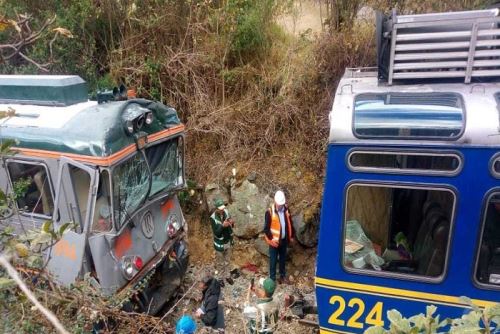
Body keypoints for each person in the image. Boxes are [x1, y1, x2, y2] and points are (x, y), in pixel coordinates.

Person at [264, 190, 295, 284]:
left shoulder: (286, 210)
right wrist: (271, 238)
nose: (280, 206)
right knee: (273, 261)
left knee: (282, 259)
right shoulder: (269, 212)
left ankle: (282, 276)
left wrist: (292, 235)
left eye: (281, 204)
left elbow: (289, 223)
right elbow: (266, 229)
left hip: (284, 240)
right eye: (279, 204)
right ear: (275, 201)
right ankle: (272, 279)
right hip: (274, 242)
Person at [210, 198, 234, 282]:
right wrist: (222, 226)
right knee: (220, 262)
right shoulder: (213, 218)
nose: (222, 210)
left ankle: (227, 276)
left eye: (223, 208)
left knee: (227, 260)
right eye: (220, 209)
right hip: (219, 243)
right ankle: (220, 278)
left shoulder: (226, 212)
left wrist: (231, 222)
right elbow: (216, 233)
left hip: (227, 240)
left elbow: (231, 224)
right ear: (216, 209)